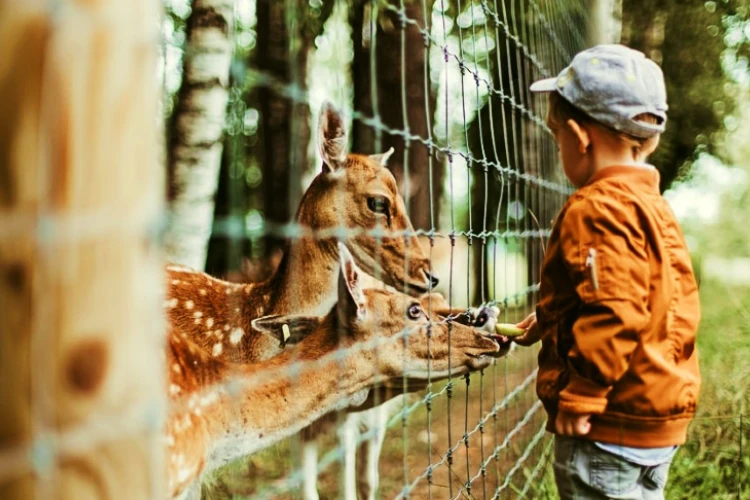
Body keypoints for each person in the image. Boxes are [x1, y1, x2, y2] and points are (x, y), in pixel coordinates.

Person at [513, 44, 701, 499]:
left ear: (579, 137)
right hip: (654, 418)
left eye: (556, 136)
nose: (560, 147)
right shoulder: (653, 207)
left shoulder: (595, 209)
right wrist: (552, 318)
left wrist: (584, 392)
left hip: (606, 424)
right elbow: (648, 295)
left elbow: (617, 309)